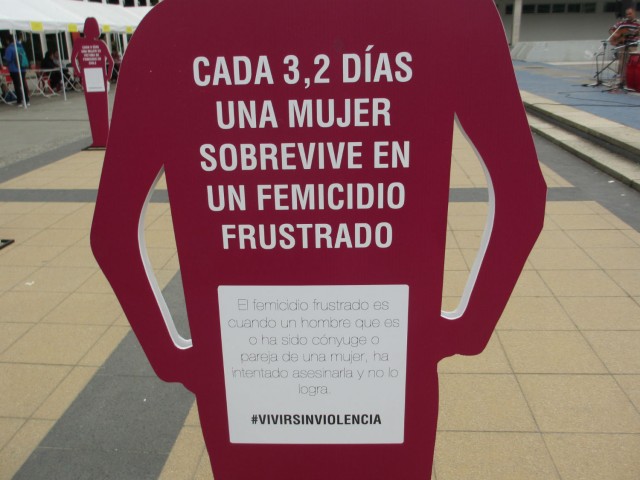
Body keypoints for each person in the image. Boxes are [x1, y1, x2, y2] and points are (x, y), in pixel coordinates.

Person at [71, 18, 113, 147]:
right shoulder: (100, 44)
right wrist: (107, 76)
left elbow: (73, 59)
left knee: (92, 109)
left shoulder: (79, 43)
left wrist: (79, 73)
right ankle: (104, 139)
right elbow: (111, 61)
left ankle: (98, 140)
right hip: (99, 78)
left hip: (88, 78)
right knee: (102, 109)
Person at [609, 7, 640, 81]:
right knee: (622, 62)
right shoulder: (622, 22)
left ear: (634, 13)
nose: (628, 15)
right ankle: (621, 79)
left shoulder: (638, 23)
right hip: (622, 45)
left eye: (630, 14)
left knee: (631, 62)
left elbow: (638, 33)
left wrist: (637, 33)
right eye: (627, 14)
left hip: (632, 45)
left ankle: (630, 78)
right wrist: (615, 35)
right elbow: (611, 29)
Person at [3, 33, 29, 107]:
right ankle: (26, 100)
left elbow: (8, 59)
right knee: (23, 84)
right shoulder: (20, 46)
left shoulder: (9, 48)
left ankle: (20, 101)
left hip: (14, 69)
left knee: (17, 85)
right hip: (23, 68)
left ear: (7, 41)